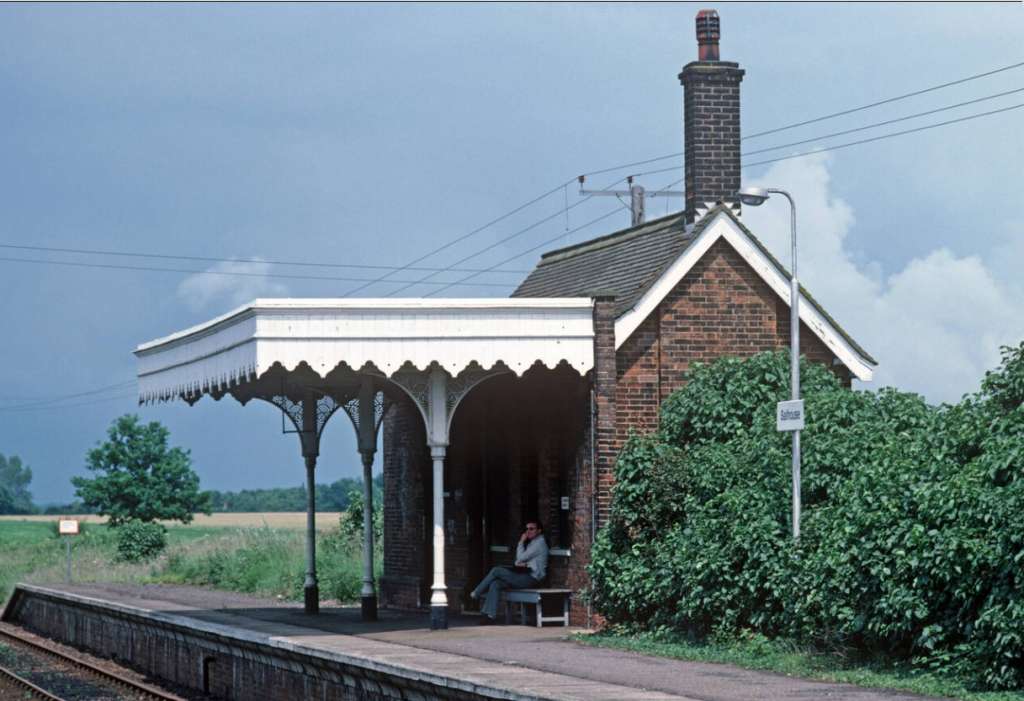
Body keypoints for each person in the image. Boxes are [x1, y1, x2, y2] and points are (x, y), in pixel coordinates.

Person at [469, 519, 548, 624]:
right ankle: (490, 616)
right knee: (496, 584)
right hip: (525, 575)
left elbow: (520, 557)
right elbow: (519, 561)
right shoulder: (533, 543)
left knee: (496, 570)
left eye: (531, 529)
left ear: (539, 531)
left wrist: (521, 542)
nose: (528, 531)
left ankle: (476, 593)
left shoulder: (539, 543)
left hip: (532, 578)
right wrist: (520, 562)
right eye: (527, 529)